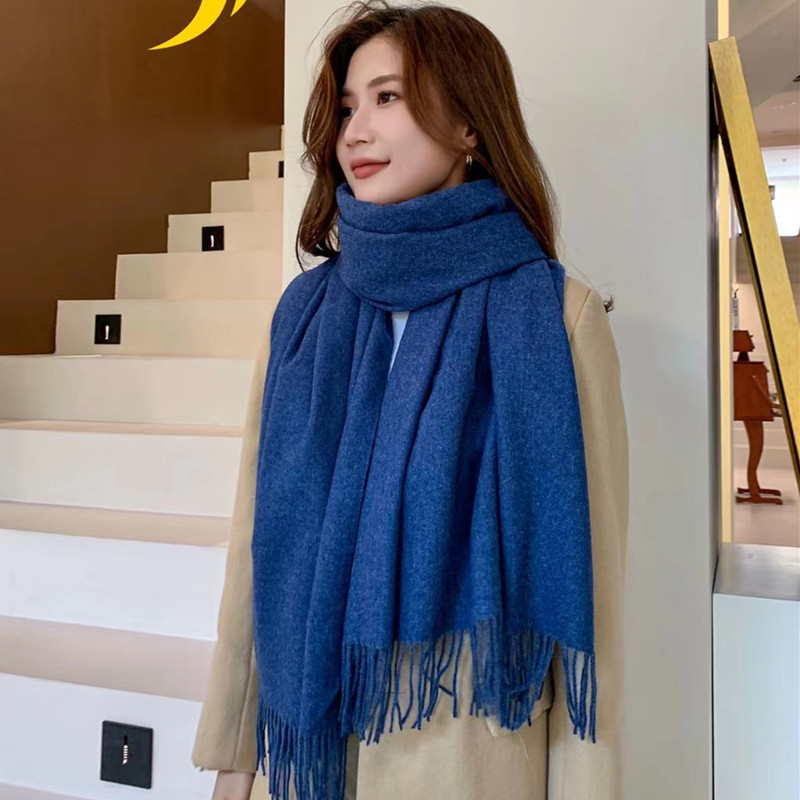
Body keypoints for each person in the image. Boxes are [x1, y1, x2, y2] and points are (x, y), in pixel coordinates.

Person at [192, 2, 629, 799]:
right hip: (315, 757)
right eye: (347, 107)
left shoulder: (556, 319)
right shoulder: (303, 318)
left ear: (470, 125)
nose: (355, 132)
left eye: (387, 98)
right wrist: (236, 762)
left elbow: (587, 609)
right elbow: (259, 551)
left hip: (469, 762)